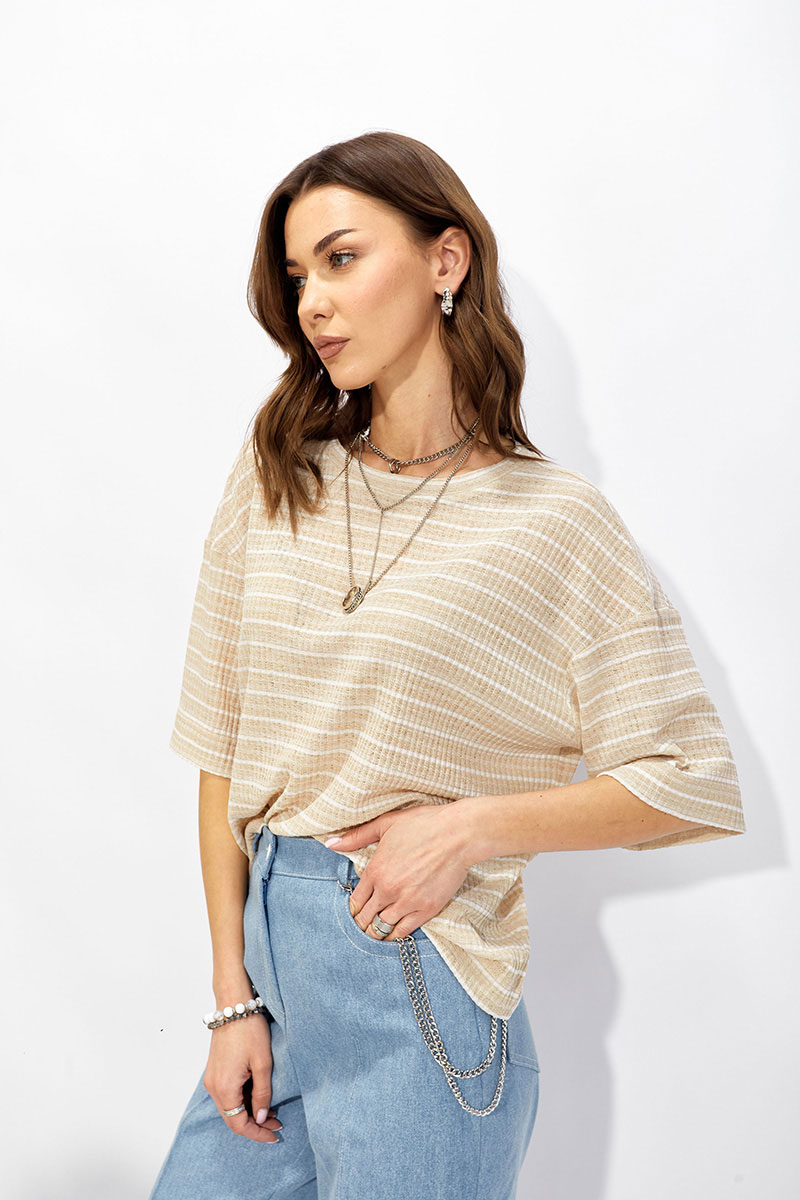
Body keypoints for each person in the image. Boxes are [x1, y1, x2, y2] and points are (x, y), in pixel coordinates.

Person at [149, 131, 746, 1200]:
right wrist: (233, 997)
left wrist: (467, 829)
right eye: (297, 276)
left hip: (419, 998)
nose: (312, 303)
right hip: (273, 998)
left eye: (341, 259)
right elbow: (220, 743)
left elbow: (688, 781)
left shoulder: (550, 522)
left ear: (446, 259)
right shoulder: (278, 474)